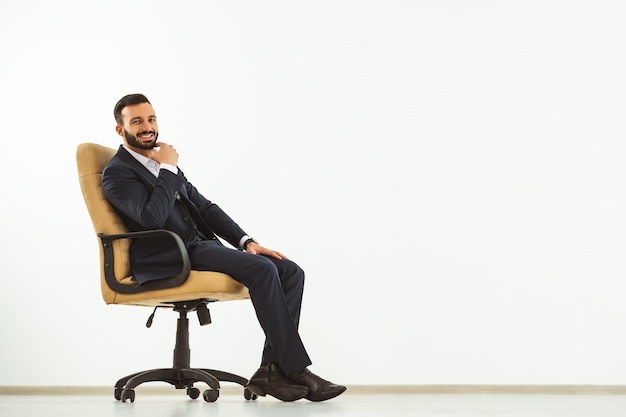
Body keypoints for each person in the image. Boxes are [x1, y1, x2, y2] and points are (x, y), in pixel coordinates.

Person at [102, 93, 346, 402]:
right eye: (136, 121)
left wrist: (247, 242)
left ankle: (271, 368)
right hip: (171, 255)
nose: (147, 127)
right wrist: (167, 169)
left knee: (290, 271)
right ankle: (297, 371)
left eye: (151, 119)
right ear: (120, 129)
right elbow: (153, 219)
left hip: (197, 246)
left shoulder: (161, 162)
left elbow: (204, 207)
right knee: (262, 270)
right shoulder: (118, 172)